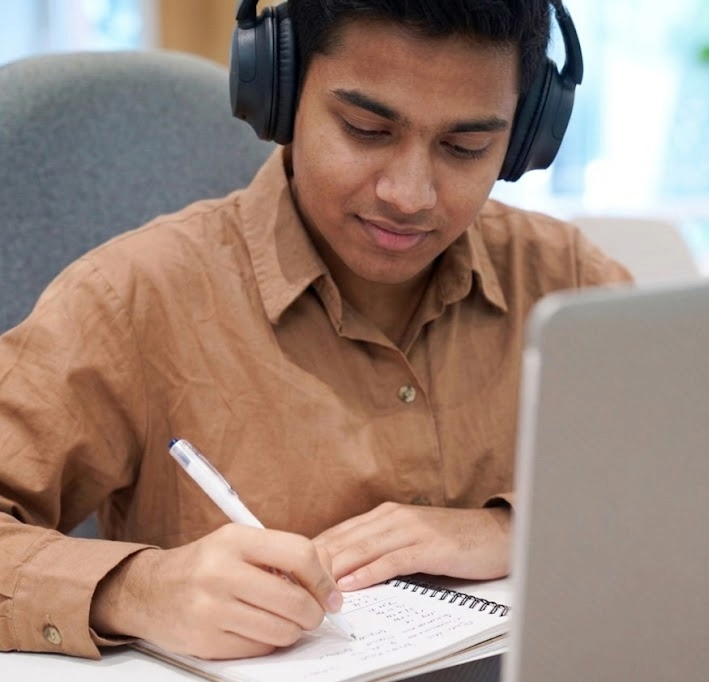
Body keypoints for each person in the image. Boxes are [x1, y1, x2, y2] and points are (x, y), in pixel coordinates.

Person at [0, 0, 631, 662]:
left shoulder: (568, 280)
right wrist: (133, 590)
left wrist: (519, 527)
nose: (410, 194)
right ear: (279, 92)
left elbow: (707, 494)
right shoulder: (134, 297)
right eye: (365, 129)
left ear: (526, 135)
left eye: (464, 147)